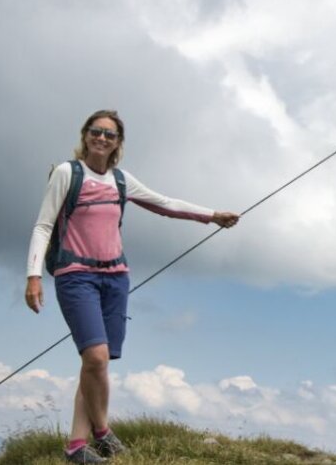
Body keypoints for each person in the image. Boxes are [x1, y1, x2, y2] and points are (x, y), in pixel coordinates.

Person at [24, 109, 239, 464]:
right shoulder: (67, 173)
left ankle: (77, 445)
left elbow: (165, 204)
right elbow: (44, 225)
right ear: (85, 135)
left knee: (97, 363)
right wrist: (33, 275)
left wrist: (212, 215)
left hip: (116, 277)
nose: (101, 138)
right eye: (96, 131)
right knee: (95, 357)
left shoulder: (121, 181)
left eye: (109, 134)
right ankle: (103, 433)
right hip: (75, 275)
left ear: (118, 143)